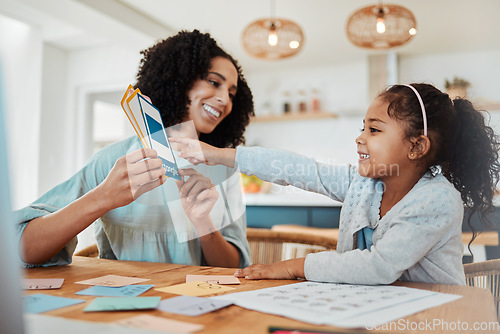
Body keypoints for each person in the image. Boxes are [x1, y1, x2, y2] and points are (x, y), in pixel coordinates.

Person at [171, 83, 500, 285]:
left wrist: (291, 268)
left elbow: (377, 267)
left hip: (436, 318)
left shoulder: (438, 200)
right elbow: (298, 169)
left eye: (374, 130)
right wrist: (217, 154)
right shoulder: (364, 184)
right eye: (363, 127)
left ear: (416, 146)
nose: (359, 138)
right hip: (378, 309)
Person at [15, 30, 254, 269]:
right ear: (179, 79)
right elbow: (23, 247)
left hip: (195, 302)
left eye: (232, 94)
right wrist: (103, 198)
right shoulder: (113, 162)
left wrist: (204, 223)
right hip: (121, 302)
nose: (225, 100)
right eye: (214, 82)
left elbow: (234, 267)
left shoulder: (224, 171)